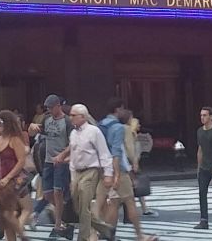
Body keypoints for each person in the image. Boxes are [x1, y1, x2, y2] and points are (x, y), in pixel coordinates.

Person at [52, 103, 112, 241]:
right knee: (77, 206)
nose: (70, 118)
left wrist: (108, 174)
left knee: (84, 206)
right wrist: (72, 175)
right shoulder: (73, 133)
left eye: (73, 115)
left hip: (90, 170)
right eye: (70, 115)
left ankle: (83, 238)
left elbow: (104, 153)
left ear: (83, 117)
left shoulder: (94, 131)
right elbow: (74, 154)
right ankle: (105, 229)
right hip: (76, 172)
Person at [95, 104, 149, 241]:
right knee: (130, 202)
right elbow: (122, 152)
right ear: (118, 110)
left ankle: (106, 234)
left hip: (103, 168)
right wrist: (129, 169)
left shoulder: (100, 125)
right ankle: (139, 235)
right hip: (118, 170)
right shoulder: (120, 128)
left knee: (112, 202)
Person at [31, 95, 72, 240]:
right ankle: (66, 216)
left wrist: (62, 155)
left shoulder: (67, 121)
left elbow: (73, 142)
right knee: (47, 193)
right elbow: (33, 132)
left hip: (61, 161)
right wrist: (33, 127)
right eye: (47, 108)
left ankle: (58, 223)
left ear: (58, 106)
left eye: (50, 107)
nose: (48, 110)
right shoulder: (46, 119)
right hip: (48, 160)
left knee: (57, 192)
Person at [0, 110, 29, 241]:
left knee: (8, 214)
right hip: (0, 182)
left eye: (0, 123)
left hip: (14, 181)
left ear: (7, 124)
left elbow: (21, 161)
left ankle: (23, 236)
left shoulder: (14, 139)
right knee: (4, 219)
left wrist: (8, 177)